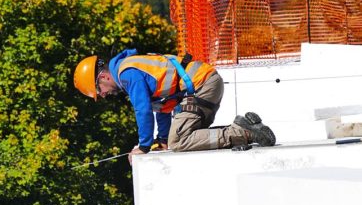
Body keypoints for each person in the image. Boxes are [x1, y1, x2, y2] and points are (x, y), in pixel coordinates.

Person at [73, 49, 276, 161]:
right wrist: (162, 139)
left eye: (100, 91)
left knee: (179, 141)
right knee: (190, 138)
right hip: (206, 83)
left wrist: (143, 147)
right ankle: (244, 127)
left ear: (103, 77)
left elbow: (142, 110)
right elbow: (162, 108)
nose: (105, 95)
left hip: (203, 85)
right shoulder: (131, 68)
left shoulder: (127, 74)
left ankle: (244, 132)